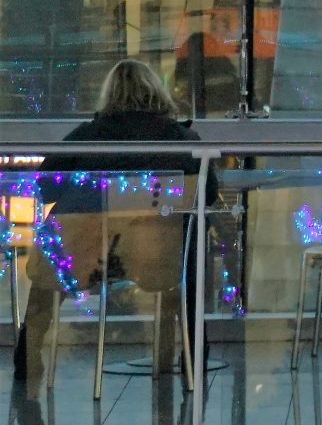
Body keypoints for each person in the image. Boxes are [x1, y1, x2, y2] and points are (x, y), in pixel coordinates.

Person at [14, 60, 210, 383]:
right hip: (160, 262)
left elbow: (45, 185)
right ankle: (193, 357)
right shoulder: (182, 140)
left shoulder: (89, 137)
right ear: (155, 94)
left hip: (89, 258)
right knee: (189, 247)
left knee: (55, 251)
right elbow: (208, 195)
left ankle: (29, 357)